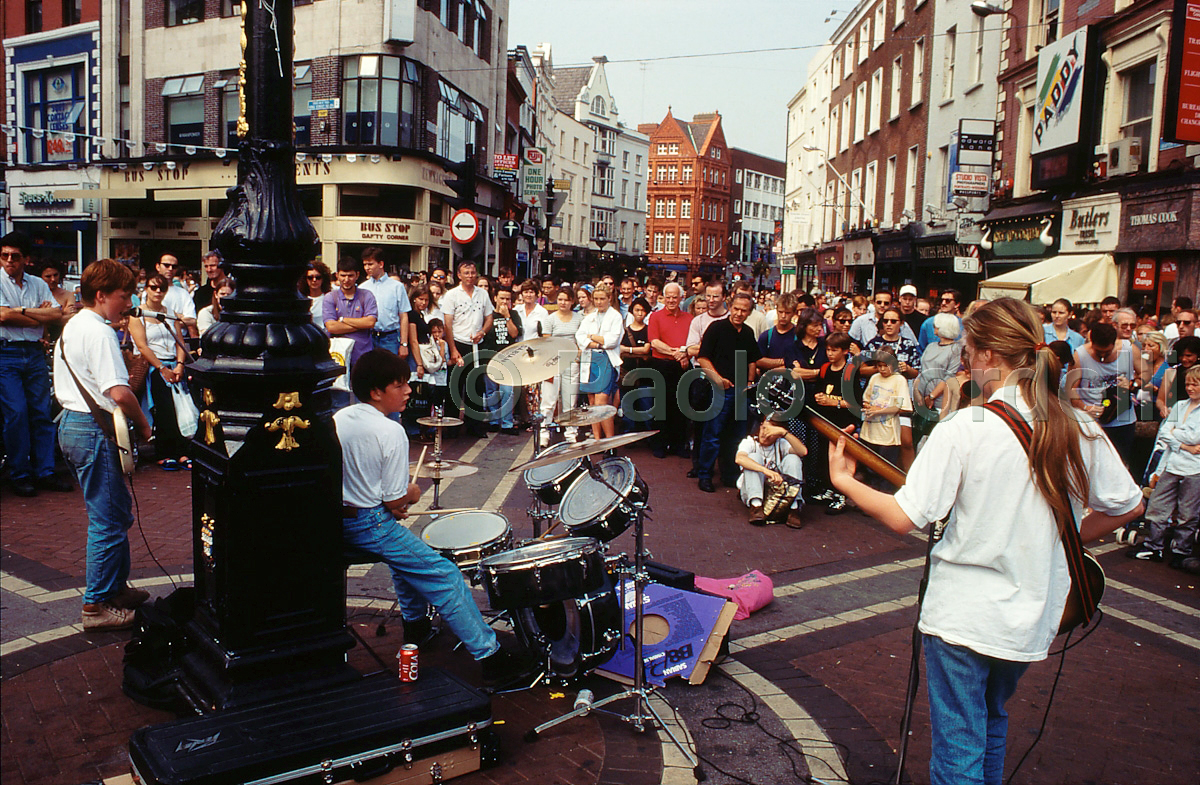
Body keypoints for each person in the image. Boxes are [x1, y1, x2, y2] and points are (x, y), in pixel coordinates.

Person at [827, 297, 1143, 785]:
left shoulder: (966, 427)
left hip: (963, 615)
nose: (964, 362)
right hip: (1028, 614)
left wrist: (845, 481)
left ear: (991, 355)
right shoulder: (1078, 425)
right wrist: (1057, 539)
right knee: (991, 721)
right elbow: (1129, 506)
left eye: (970, 351)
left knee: (959, 748)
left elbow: (904, 516)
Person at [333, 349, 531, 686]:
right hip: (370, 525)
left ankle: (416, 626)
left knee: (405, 560)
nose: (409, 391)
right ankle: (492, 657)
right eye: (400, 385)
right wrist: (412, 494)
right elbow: (395, 500)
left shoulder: (340, 418)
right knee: (445, 574)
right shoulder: (390, 431)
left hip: (341, 521)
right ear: (377, 392)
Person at [54, 259, 154, 630]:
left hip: (74, 424)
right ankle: (95, 605)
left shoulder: (75, 324)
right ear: (101, 295)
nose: (127, 304)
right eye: (123, 296)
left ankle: (114, 588)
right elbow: (119, 391)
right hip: (92, 427)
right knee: (109, 519)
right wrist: (145, 427)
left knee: (114, 512)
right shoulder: (99, 332)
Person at [0, 231, 72, 496]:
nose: (9, 261)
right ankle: (20, 473)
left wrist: (18, 312)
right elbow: (2, 317)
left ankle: (45, 471)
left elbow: (56, 313)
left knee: (42, 412)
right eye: (4, 255)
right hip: (5, 353)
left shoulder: (38, 284)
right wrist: (37, 316)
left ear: (26, 259)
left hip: (33, 353)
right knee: (16, 414)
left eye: (15, 256)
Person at [1127, 365, 1200, 566]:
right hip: (1171, 464)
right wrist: (1185, 444)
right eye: (1187, 384)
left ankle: (1181, 550)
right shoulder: (1180, 406)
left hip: (1195, 468)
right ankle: (1153, 547)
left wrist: (1177, 434)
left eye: (1195, 384)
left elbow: (1195, 435)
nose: (1190, 388)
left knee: (1188, 513)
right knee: (1158, 506)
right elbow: (1166, 431)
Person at [695, 292, 760, 493]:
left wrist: (750, 381)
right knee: (712, 434)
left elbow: (752, 359)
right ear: (730, 306)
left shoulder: (748, 332)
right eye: (737, 309)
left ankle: (730, 474)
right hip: (719, 390)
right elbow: (703, 358)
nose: (739, 313)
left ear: (749, 312)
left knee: (737, 436)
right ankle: (704, 475)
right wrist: (718, 379)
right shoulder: (716, 328)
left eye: (744, 310)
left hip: (741, 391)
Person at [129, 275, 191, 470]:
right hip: (154, 367)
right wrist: (161, 368)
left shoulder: (170, 312)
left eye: (162, 288)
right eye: (153, 287)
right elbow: (142, 346)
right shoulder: (137, 314)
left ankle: (182, 451)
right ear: (146, 288)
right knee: (162, 409)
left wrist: (179, 364)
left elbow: (178, 340)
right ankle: (164, 452)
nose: (157, 292)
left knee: (180, 408)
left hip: (174, 364)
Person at [1071, 321, 1138, 470]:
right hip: (1092, 421)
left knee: (1119, 465)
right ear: (1091, 342)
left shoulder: (1129, 349)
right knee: (1092, 466)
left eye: (1106, 353)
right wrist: (1085, 407)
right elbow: (1070, 390)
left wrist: (1133, 384)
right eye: (1097, 352)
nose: (1102, 357)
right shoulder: (1080, 355)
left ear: (1114, 343)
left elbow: (1147, 377)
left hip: (1122, 420)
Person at [442, 261, 493, 437]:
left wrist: (482, 332)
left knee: (476, 387)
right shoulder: (451, 295)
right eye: (466, 273)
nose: (470, 276)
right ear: (459, 275)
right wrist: (453, 349)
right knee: (455, 386)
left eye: (473, 272)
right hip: (458, 342)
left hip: (477, 345)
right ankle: (451, 428)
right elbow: (447, 325)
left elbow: (489, 318)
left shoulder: (483, 294)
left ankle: (475, 427)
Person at [647, 282, 693, 458]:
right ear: (663, 298)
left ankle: (678, 444)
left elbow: (693, 342)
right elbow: (654, 342)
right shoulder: (655, 317)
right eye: (668, 297)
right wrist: (677, 353)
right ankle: (659, 444)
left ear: (681, 298)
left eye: (675, 297)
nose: (671, 300)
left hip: (682, 365)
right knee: (661, 406)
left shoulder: (689, 318)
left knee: (681, 405)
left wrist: (684, 355)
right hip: (662, 365)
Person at [735, 418, 807, 526]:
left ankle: (794, 508)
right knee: (753, 457)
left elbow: (803, 452)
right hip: (752, 491)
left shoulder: (781, 443)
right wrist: (766, 471)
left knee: (794, 458)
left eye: (771, 431)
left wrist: (784, 433)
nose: (765, 434)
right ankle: (756, 508)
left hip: (778, 494)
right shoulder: (749, 442)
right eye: (763, 428)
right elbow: (739, 459)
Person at [858, 346, 911, 488]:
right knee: (871, 467)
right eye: (879, 366)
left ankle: (884, 496)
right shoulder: (875, 378)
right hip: (871, 429)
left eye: (885, 366)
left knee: (885, 468)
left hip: (888, 433)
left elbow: (899, 406)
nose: (882, 369)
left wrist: (878, 411)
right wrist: (868, 405)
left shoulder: (899, 380)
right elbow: (866, 397)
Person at [576, 283, 623, 440]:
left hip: (606, 359)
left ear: (609, 298)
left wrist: (591, 336)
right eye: (596, 299)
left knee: (601, 403)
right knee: (591, 401)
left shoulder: (615, 316)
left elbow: (611, 341)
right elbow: (579, 337)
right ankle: (597, 439)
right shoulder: (590, 317)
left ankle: (609, 442)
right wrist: (596, 341)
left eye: (602, 298)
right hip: (590, 359)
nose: (599, 302)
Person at [539, 288, 583, 447]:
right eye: (560, 299)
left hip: (572, 363)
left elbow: (581, 339)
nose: (563, 303)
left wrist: (577, 354)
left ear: (572, 301)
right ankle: (544, 432)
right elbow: (547, 342)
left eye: (566, 300)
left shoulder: (579, 318)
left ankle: (570, 432)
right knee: (548, 400)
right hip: (553, 362)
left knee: (570, 400)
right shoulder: (550, 319)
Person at [324, 257, 378, 368]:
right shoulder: (330, 297)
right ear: (337, 275)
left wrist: (343, 320)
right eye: (343, 275)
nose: (346, 279)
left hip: (362, 353)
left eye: (350, 275)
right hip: (338, 354)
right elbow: (331, 327)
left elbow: (370, 323)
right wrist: (361, 324)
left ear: (357, 275)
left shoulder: (367, 295)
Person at [359, 247, 411, 361]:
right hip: (368, 337)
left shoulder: (397, 287)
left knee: (389, 373)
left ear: (381, 264)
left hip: (390, 338)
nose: (367, 268)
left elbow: (404, 316)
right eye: (365, 264)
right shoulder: (362, 288)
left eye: (370, 264)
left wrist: (404, 344)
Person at [482, 287, 521, 435]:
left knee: (507, 391)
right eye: (502, 298)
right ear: (495, 299)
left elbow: (515, 333)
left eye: (508, 299)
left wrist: (507, 317)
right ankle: (493, 421)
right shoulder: (489, 315)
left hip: (507, 359)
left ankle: (507, 423)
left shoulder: (514, 314)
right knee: (491, 392)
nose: (505, 302)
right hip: (490, 358)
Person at [619, 297, 653, 431]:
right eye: (637, 310)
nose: (640, 313)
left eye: (643, 310)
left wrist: (629, 350)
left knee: (647, 407)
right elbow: (619, 349)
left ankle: (648, 436)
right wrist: (638, 351)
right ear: (632, 311)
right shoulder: (625, 331)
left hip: (645, 374)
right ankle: (629, 436)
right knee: (628, 407)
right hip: (627, 372)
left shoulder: (649, 330)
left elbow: (646, 349)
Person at [154, 254, 198, 337]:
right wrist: (177, 317)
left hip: (179, 339)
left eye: (174, 266)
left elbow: (192, 320)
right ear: (158, 267)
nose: (170, 269)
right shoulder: (151, 291)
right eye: (166, 265)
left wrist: (166, 320)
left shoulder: (183, 293)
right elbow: (150, 319)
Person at [918, 289, 963, 353]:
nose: (943, 303)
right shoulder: (928, 323)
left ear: (957, 304)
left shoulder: (963, 325)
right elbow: (921, 348)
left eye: (948, 301)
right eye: (941, 300)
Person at [301, 260, 332, 327]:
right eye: (310, 277)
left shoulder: (330, 298)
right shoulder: (301, 300)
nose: (314, 280)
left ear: (323, 278)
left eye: (318, 277)